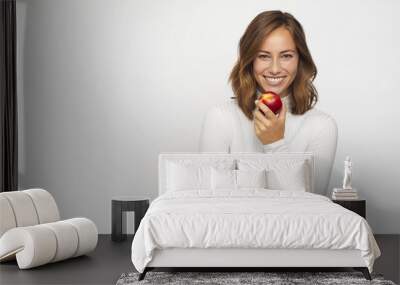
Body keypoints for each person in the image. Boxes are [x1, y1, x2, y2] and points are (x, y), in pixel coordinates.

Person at [198, 10, 338, 196]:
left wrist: (274, 143)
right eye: (263, 56)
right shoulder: (220, 118)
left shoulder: (321, 125)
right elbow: (211, 199)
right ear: (250, 60)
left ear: (300, 60)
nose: (274, 69)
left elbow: (312, 203)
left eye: (286, 56)